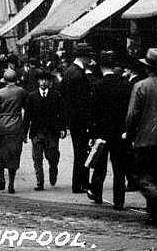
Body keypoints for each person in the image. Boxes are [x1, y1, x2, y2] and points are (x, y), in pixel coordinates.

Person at [125, 47, 157, 226]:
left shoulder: (140, 86)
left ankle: (156, 200)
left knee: (141, 176)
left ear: (147, 68)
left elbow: (132, 115)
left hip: (145, 138)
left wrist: (130, 133)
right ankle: (155, 214)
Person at [89, 50, 132, 208]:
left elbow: (94, 112)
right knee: (119, 167)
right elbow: (129, 110)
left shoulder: (98, 86)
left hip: (102, 132)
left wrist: (93, 134)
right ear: (114, 66)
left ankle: (97, 194)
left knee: (100, 164)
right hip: (120, 132)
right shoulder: (125, 85)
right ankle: (119, 201)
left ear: (101, 66)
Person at [62, 43, 97, 193]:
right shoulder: (78, 74)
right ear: (84, 57)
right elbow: (83, 101)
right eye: (89, 57)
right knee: (82, 152)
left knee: (80, 152)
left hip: (74, 119)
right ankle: (80, 183)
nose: (90, 59)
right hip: (80, 120)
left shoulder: (70, 71)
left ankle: (80, 182)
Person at [26, 71, 64, 191]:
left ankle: (53, 170)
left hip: (52, 132)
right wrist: (24, 133)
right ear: (38, 81)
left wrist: (62, 128)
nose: (43, 82)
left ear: (49, 82)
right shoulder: (32, 96)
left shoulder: (56, 95)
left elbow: (62, 113)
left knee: (52, 155)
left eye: (46, 80)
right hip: (37, 132)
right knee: (37, 158)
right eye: (41, 80)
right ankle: (40, 182)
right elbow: (27, 115)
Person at [0, 68, 27, 193]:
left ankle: (2, 179)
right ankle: (11, 183)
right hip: (16, 126)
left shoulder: (0, 93)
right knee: (14, 155)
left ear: (5, 80)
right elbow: (26, 106)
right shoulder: (21, 91)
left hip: (1, 126)